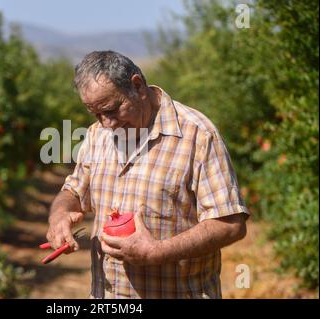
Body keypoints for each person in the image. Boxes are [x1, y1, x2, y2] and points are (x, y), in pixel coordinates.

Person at [46, 50, 249, 299]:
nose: (106, 123)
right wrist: (59, 216)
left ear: (138, 86)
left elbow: (231, 224)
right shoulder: (97, 134)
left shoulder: (197, 135)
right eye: (96, 114)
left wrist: (157, 252)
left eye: (111, 110)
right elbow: (73, 191)